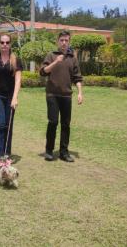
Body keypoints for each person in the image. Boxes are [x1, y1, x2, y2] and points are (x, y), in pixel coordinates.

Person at [39, 30, 83, 162]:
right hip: (52, 94)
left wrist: (80, 92)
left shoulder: (73, 58)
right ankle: (49, 151)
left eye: (66, 40)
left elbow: (77, 77)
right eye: (62, 40)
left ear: (69, 42)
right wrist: (56, 62)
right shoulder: (51, 55)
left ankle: (64, 152)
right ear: (57, 41)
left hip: (66, 96)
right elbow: (43, 72)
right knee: (53, 122)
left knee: (66, 124)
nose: (64, 43)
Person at [0, 34, 22, 161]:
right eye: (2, 42)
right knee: (0, 124)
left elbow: (18, 80)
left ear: (10, 44)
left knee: (8, 125)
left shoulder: (15, 60)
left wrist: (15, 97)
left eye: (7, 42)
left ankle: (6, 154)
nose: (5, 45)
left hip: (10, 97)